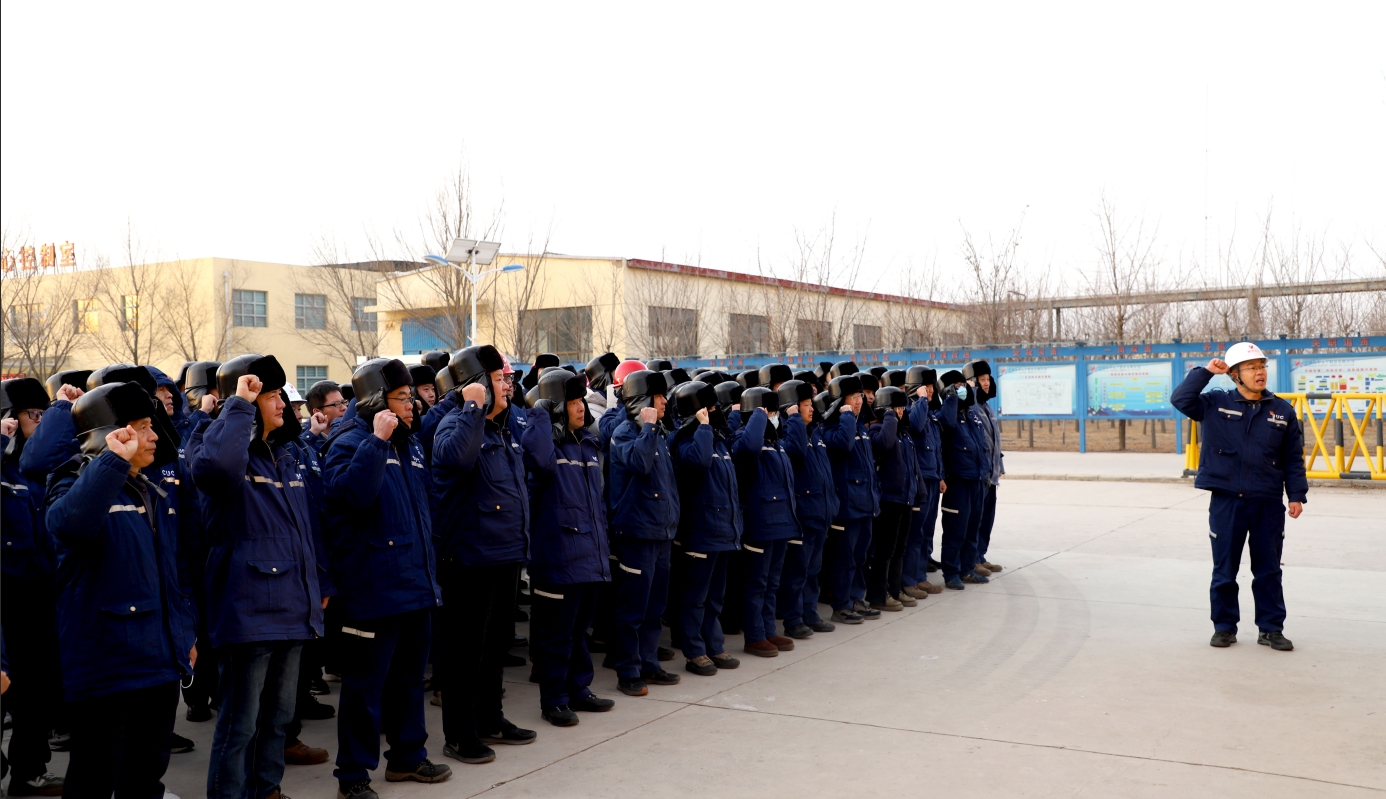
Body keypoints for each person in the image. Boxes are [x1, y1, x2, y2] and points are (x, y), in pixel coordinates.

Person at [46, 381, 197, 798]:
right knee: (95, 776)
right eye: (142, 427)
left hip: (158, 659)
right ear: (110, 435)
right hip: (105, 664)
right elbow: (68, 526)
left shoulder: (152, 488)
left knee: (146, 776)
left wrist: (184, 634)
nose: (154, 436)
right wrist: (112, 460)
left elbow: (175, 570)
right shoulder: (72, 479)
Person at [191, 355, 332, 799]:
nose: (281, 404)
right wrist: (238, 405)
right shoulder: (215, 444)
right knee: (240, 723)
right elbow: (217, 471)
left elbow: (306, 528)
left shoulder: (285, 455)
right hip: (248, 609)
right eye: (269, 396)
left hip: (293, 604)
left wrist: (320, 583)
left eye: (278, 395)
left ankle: (266, 790)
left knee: (277, 717)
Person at [323, 358, 449, 799]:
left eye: (413, 396)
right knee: (364, 686)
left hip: (414, 583)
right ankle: (353, 775)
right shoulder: (348, 443)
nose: (413, 405)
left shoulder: (409, 444)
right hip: (373, 588)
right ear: (377, 402)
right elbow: (353, 495)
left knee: (409, 680)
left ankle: (407, 757)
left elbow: (425, 507)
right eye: (402, 397)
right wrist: (376, 441)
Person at [430, 345, 538, 763]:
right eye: (498, 379)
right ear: (476, 385)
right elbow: (457, 460)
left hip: (505, 553)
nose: (507, 386)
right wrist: (473, 407)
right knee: (465, 653)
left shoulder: (501, 429)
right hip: (470, 559)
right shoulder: (457, 423)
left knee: (495, 646)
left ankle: (491, 719)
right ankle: (460, 734)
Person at [1171, 343, 1307, 650]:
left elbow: (1292, 458)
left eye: (1262, 366)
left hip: (1267, 502)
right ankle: (1224, 627)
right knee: (1225, 570)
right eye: (1251, 367)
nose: (1260, 373)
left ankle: (1270, 629)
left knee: (1269, 570)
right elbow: (1181, 399)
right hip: (1227, 501)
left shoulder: (1282, 411)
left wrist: (1296, 494)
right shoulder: (1214, 404)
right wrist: (1206, 372)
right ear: (1235, 375)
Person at [522, 370, 618, 724]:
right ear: (557, 407)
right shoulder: (545, 443)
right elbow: (539, 460)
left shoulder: (588, 444)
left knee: (579, 631)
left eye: (582, 401)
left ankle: (579, 689)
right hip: (558, 556)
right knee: (556, 635)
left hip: (589, 555)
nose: (581, 408)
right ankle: (554, 699)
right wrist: (539, 414)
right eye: (573, 402)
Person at [1, 379, 65, 797]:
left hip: (41, 599)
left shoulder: (41, 471)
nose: (40, 422)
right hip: (7, 602)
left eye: (45, 415)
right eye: (32, 415)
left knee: (36, 691)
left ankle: (29, 771)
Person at [606, 369, 682, 696]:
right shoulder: (625, 433)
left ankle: (649, 663)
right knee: (632, 608)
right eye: (658, 396)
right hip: (637, 534)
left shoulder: (658, 434)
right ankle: (628, 670)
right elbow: (640, 464)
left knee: (655, 606)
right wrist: (648, 427)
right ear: (642, 401)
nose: (665, 401)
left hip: (661, 532)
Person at [667, 380, 743, 676]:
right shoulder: (684, 440)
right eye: (709, 408)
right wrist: (702, 427)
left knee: (715, 597)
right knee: (694, 597)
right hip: (700, 531)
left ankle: (714, 645)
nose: (715, 412)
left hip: (723, 531)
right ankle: (694, 651)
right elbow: (697, 462)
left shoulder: (717, 440)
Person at [732, 387, 800, 657]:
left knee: (772, 582)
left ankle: (769, 629)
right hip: (760, 523)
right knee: (757, 582)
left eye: (773, 412)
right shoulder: (743, 437)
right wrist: (759, 415)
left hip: (781, 522)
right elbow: (748, 447)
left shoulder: (775, 443)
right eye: (769, 411)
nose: (773, 416)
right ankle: (754, 635)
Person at [777, 379, 838, 639]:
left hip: (821, 513)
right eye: (804, 404)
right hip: (804, 514)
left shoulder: (815, 433)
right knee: (797, 571)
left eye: (811, 404)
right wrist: (793, 420)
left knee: (813, 570)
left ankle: (810, 614)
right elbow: (796, 451)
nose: (811, 408)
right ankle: (793, 619)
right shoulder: (787, 434)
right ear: (792, 407)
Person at [821, 374, 880, 624]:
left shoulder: (860, 427)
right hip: (847, 506)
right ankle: (841, 604)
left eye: (860, 397)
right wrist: (845, 416)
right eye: (853, 397)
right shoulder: (832, 429)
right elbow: (843, 445)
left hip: (865, 504)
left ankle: (856, 598)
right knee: (844, 558)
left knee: (860, 556)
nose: (859, 402)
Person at [935, 370, 989, 590]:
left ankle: (967, 569)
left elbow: (981, 445)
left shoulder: (971, 415)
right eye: (956, 386)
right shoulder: (943, 415)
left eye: (962, 385)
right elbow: (947, 424)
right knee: (955, 530)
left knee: (972, 528)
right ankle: (951, 573)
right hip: (957, 481)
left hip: (976, 479)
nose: (962, 389)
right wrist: (950, 398)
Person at [865, 386, 914, 611]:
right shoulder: (876, 431)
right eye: (895, 408)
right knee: (884, 550)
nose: (900, 412)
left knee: (899, 549)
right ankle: (879, 594)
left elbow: (912, 466)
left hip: (905, 498)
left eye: (902, 408)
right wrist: (890, 417)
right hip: (888, 499)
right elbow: (884, 443)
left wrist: (918, 491)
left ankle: (895, 588)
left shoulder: (903, 434)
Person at [901, 367, 946, 598]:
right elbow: (915, 426)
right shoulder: (912, 411)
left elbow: (937, 449)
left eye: (931, 387)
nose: (930, 391)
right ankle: (909, 581)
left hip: (932, 478)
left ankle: (920, 577)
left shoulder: (929, 413)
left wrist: (940, 475)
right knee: (915, 533)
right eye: (925, 387)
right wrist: (919, 399)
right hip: (918, 481)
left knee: (927, 531)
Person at [965, 361, 1004, 575]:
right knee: (976, 519)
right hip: (979, 474)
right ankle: (972, 560)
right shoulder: (971, 407)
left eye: (988, 379)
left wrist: (1000, 465)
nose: (987, 383)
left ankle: (980, 555)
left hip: (992, 474)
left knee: (987, 519)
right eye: (982, 379)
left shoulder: (987, 407)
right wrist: (970, 390)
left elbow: (994, 440)